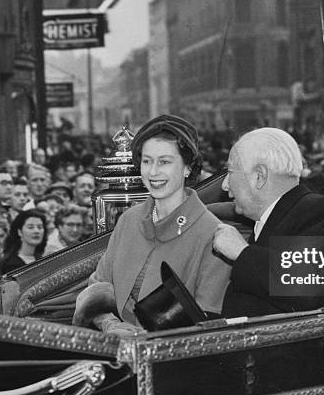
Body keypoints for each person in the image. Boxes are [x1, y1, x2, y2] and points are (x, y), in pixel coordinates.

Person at [74, 115, 231, 333]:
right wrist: (111, 326)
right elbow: (97, 289)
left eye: (164, 162)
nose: (153, 172)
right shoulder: (129, 220)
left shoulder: (213, 234)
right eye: (147, 161)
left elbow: (208, 325)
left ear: (188, 167)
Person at [212, 128, 324, 318]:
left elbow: (308, 285)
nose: (225, 185)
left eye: (230, 172)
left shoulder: (321, 212)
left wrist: (241, 252)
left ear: (259, 176)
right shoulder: (270, 217)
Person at [0, 209, 47, 275]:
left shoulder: (43, 260)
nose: (36, 231)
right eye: (30, 227)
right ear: (20, 232)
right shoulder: (10, 264)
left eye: (40, 227)